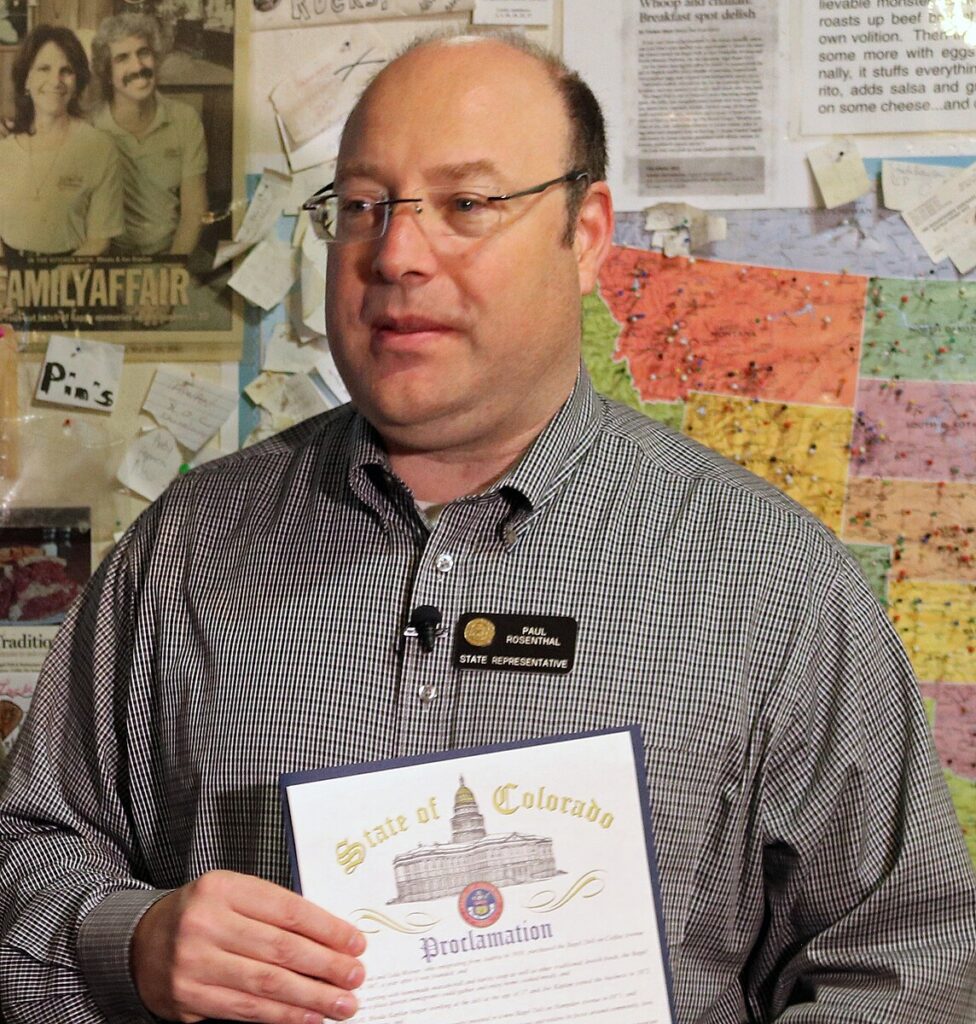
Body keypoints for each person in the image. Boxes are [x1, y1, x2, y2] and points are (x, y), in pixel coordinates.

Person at [0, 30, 974, 1024]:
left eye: (466, 204)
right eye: (363, 206)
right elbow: (26, 852)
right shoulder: (186, 549)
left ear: (585, 233)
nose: (395, 254)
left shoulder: (771, 581)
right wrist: (131, 941)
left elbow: (909, 968)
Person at [90, 12, 207, 260]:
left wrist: (168, 274)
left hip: (172, 255)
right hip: (108, 261)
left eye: (143, 53)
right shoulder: (91, 126)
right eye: (122, 58)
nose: (138, 67)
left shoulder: (185, 119)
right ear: (107, 74)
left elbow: (193, 214)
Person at [0, 25, 122, 260]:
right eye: (44, 68)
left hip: (71, 271)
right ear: (26, 79)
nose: (55, 81)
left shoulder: (99, 147)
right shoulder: (4, 145)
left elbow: (99, 241)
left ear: (77, 84)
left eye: (66, 71)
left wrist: (53, 279)